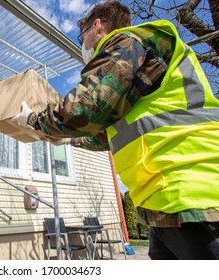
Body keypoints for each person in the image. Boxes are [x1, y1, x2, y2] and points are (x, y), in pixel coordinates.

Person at [13, 1, 219, 259]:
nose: (82, 44)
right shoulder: (135, 64)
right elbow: (113, 132)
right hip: (167, 202)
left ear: (97, 26)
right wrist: (68, 140)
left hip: (192, 191)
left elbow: (84, 108)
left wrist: (33, 120)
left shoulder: (127, 43)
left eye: (82, 35)